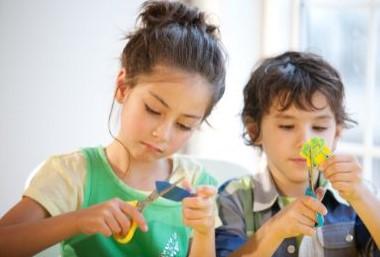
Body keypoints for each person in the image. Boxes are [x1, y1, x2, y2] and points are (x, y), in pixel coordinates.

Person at [0, 1, 226, 257]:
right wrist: (76, 221)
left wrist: (204, 231)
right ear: (122, 87)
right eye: (153, 110)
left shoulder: (195, 185)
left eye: (184, 125)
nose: (162, 134)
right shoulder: (74, 176)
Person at [215, 51, 380, 257]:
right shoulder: (234, 198)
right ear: (254, 131)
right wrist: (275, 230)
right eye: (287, 126)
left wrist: (362, 195)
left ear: (336, 134)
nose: (305, 142)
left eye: (319, 127)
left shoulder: (354, 200)